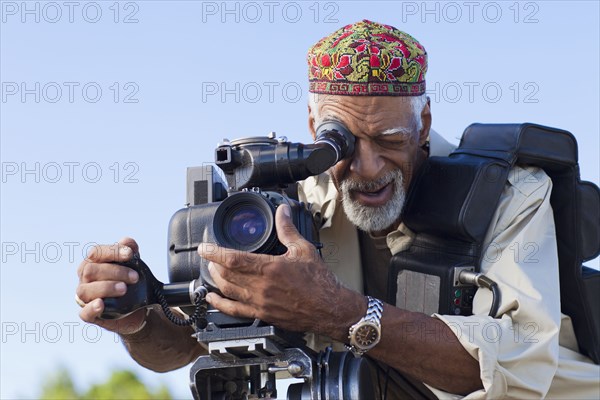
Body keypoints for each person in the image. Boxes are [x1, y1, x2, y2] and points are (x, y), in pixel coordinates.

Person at [75, 20, 600, 399]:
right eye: (342, 141)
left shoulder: (511, 193)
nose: (368, 167)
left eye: (390, 139)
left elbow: (517, 368)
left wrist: (336, 311)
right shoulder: (283, 207)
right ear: (311, 125)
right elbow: (190, 345)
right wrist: (138, 319)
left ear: (423, 123)